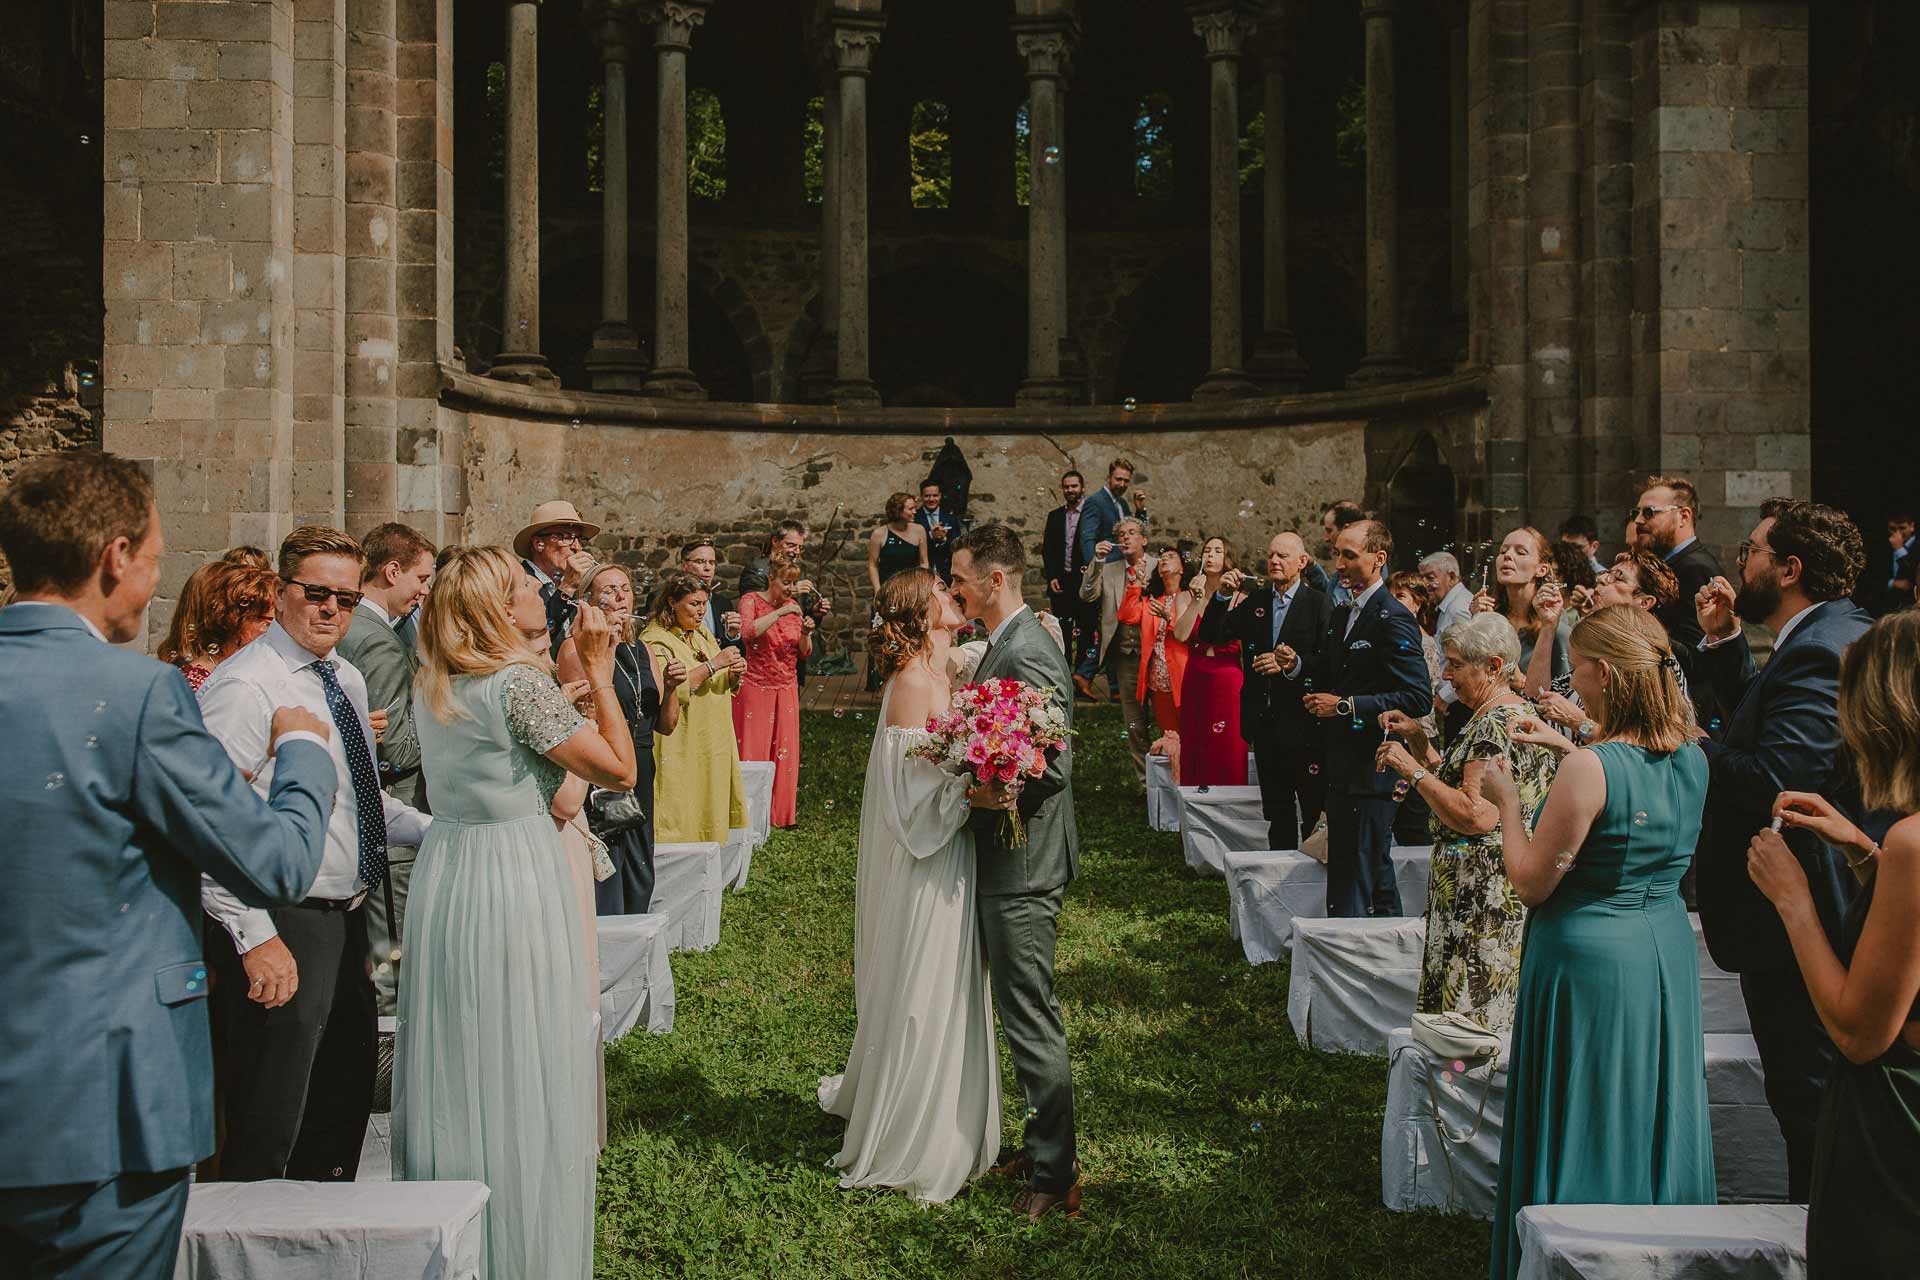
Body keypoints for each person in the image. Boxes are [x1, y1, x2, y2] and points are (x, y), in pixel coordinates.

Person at [0, 453, 334, 1280]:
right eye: (154, 557)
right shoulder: (137, 691)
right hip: (103, 1103)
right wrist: (302, 749)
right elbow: (279, 864)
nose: (154, 579)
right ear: (116, 557)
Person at [393, 546, 636, 1280]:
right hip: (513, 875)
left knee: (463, 1050)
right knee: (524, 1042)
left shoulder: (435, 680)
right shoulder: (518, 684)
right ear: (504, 610)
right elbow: (619, 770)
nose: (539, 592)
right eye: (524, 586)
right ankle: (523, 1245)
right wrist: (599, 671)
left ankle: (461, 1240)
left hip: (450, 871)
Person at [1481, 604, 1715, 1280]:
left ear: (1605, 673)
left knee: (1587, 1107)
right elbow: (1634, 805)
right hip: (1663, 949)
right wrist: (1569, 746)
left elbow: (1530, 881)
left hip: (1588, 958)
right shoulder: (1694, 754)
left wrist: (1504, 802)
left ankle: (1576, 1251)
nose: (1570, 680)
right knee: (1649, 1104)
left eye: (1577, 666)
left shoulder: (1590, 771)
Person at [198, 526, 432, 1183]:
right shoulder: (246, 688)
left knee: (338, 1107)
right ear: (278, 592)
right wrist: (254, 937)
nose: (332, 609)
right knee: (272, 1117)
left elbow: (360, 804)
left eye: (347, 599)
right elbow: (209, 826)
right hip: (282, 917)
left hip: (344, 918)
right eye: (317, 594)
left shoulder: (346, 680)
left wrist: (451, 833)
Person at [1692, 498, 1872, 1200]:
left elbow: (1778, 781)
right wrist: (1725, 645)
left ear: (1790, 568)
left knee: (1810, 1097)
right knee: (1803, 1096)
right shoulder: (1820, 636)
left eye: (1754, 551)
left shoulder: (1825, 649)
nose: (1742, 563)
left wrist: (1685, 741)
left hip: (1810, 904)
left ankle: (1821, 1244)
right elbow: (1769, 733)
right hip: (1796, 903)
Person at [1746, 610, 1920, 1276]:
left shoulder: (1912, 843)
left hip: (1895, 1122)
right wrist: (1862, 849)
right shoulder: (1899, 844)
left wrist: (1794, 899)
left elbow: (1857, 1031)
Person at [818, 568, 1000, 1204]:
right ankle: (915, 1132)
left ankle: (951, 1114)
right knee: (926, 981)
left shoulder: (942, 672)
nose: (955, 596)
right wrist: (973, 790)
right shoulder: (914, 684)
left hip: (952, 852)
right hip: (928, 856)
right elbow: (907, 799)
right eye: (942, 593)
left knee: (950, 977)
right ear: (921, 614)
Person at [947, 523, 1081, 1221]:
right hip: (1007, 855)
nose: (954, 589)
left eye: (960, 578)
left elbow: (1054, 763)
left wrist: (990, 788)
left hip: (1024, 863)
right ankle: (1038, 1146)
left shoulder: (1028, 650)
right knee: (1016, 1010)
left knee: (1029, 1015)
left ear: (995, 581)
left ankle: (1056, 1173)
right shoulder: (1006, 643)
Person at [1376, 613, 1554, 1035]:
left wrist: (1410, 771)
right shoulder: (1509, 711)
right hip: (1485, 882)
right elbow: (1463, 785)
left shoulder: (1493, 725)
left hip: (1479, 894)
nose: (1446, 674)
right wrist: (1421, 745)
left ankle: (1464, 1096)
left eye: (1455, 664)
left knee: (1471, 1020)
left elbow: (1476, 815)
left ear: (1493, 667)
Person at [1295, 520, 1431, 916]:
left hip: (1375, 766)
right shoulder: (1342, 614)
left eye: (1349, 555)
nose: (1339, 563)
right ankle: (1378, 953)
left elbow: (1417, 695)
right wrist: (1296, 665)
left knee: (1364, 869)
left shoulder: (1393, 616)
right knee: (1357, 869)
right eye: (1336, 553)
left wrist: (1345, 706)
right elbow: (1331, 670)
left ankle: (1360, 953)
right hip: (1341, 763)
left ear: (1379, 559)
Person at [336, 522, 436, 1015]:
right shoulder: (374, 639)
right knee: (391, 966)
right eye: (420, 578)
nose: (423, 590)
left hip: (375, 815)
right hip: (393, 813)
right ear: (392, 570)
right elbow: (394, 746)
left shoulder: (361, 628)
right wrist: (444, 733)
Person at [558, 563, 684, 914]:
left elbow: (665, 724)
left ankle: (637, 932)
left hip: (641, 759)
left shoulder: (643, 651)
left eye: (625, 588)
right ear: (589, 602)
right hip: (603, 761)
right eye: (609, 590)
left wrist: (673, 688)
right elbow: (585, 714)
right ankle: (606, 935)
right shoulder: (574, 649)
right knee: (609, 851)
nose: (620, 596)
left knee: (640, 857)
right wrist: (606, 647)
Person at [1198, 532, 1332, 850]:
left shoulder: (1318, 604)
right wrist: (1221, 595)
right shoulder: (1256, 602)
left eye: (1282, 556)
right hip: (1265, 721)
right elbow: (1210, 635)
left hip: (1306, 723)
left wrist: (1295, 664)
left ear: (1301, 562)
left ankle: (1313, 874)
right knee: (1276, 808)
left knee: (1313, 805)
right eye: (1271, 555)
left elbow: (1329, 661)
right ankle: (1281, 868)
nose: (1273, 560)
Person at [642, 571, 749, 844]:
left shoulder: (700, 633)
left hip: (711, 735)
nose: (701, 611)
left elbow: (722, 679)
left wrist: (735, 672)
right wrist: (716, 664)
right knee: (682, 800)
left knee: (707, 796)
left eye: (704, 604)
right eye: (693, 604)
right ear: (671, 603)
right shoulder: (655, 640)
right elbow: (671, 688)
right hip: (680, 738)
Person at [734, 551, 814, 828]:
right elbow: (747, 633)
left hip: (786, 686)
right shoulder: (751, 601)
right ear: (771, 579)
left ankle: (782, 816)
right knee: (753, 751)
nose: (791, 590)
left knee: (786, 752)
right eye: (785, 583)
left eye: (794, 584)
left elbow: (803, 652)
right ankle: (749, 815)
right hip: (755, 685)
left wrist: (805, 633)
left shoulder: (795, 607)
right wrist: (779, 612)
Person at [1079, 516, 1156, 781]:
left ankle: (1173, 776)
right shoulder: (1109, 568)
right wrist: (1097, 562)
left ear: (1144, 540)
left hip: (1157, 655)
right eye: (1121, 534)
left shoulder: (1159, 567)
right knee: (1134, 721)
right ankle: (1146, 782)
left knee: (1166, 718)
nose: (1125, 538)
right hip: (1126, 656)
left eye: (1132, 533)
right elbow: (1086, 595)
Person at [1169, 535, 1248, 786]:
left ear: (1228, 559)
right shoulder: (1185, 597)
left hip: (1229, 676)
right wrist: (1195, 599)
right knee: (1197, 737)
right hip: (1197, 673)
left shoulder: (1241, 600)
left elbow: (1247, 649)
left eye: (1217, 550)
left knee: (1229, 741)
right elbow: (1181, 635)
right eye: (1207, 550)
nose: (1210, 555)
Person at [157, 560, 279, 692]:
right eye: (269, 621)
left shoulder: (251, 667)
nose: (276, 629)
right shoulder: (195, 683)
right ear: (234, 620)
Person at [1472, 527, 1570, 690]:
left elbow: (1565, 697)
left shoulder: (1555, 629)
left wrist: (1521, 683)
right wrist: (1478, 626)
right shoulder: (1491, 616)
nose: (1507, 556)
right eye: (1503, 551)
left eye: (1521, 552)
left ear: (1542, 569)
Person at [1634, 475, 1723, 650]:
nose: (1638, 520)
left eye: (1649, 512)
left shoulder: (1695, 568)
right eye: (1635, 512)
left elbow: (1696, 649)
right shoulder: (1674, 563)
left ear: (1683, 516)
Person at [514, 500, 600, 657]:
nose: (577, 547)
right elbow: (533, 635)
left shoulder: (570, 582)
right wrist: (567, 587)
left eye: (579, 539)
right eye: (566, 537)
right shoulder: (518, 582)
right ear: (539, 543)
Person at [1117, 546, 1189, 734]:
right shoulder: (1152, 602)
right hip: (1157, 683)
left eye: (1171, 557)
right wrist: (1137, 581)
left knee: (1191, 736)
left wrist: (1169, 619)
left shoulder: (1190, 598)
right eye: (1162, 558)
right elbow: (1127, 616)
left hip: (1185, 679)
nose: (1164, 559)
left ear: (1182, 568)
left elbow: (1192, 633)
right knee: (1170, 738)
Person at [1042, 469, 1099, 694]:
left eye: (1074, 486)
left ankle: (1081, 681)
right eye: (1066, 486)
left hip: (1084, 581)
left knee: (1086, 630)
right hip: (1062, 582)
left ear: (1082, 488)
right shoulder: (1055, 516)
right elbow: (1048, 550)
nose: (1070, 490)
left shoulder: (1090, 515)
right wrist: (1052, 576)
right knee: (1063, 631)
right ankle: (1063, 678)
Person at [1421, 550, 1477, 738]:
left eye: (1430, 577)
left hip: (1459, 699)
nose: (1425, 585)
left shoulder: (1459, 608)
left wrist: (1446, 695)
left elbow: (1469, 659)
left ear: (1451, 576)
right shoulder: (1449, 606)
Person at [1387, 571, 1444, 739]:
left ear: (1417, 604)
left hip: (1418, 734)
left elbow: (1421, 695)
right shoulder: (1390, 637)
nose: (1392, 603)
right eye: (1389, 597)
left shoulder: (1424, 644)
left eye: (1400, 596)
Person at [679, 539, 741, 646]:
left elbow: (738, 651)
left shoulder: (723, 603)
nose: (707, 568)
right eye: (700, 562)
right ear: (684, 565)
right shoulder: (668, 599)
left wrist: (732, 636)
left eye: (712, 563)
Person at [867, 492, 929, 595]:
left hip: (912, 589)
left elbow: (924, 562)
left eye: (915, 508)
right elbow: (872, 565)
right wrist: (878, 591)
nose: (915, 512)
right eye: (910, 509)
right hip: (888, 589)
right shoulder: (879, 534)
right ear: (898, 511)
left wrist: (920, 587)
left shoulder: (919, 530)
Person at [1312, 501, 1366, 603]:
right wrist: (1313, 569)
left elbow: (1340, 605)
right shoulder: (1347, 563)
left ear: (1345, 529)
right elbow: (1333, 595)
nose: (1326, 538)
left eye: (1329, 531)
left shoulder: (1365, 566)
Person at [916, 478, 958, 582]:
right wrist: (931, 537)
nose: (931, 499)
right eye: (927, 496)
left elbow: (957, 544)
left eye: (935, 495)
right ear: (921, 497)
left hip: (946, 571)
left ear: (940, 496)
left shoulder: (950, 517)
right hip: (921, 572)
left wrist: (943, 539)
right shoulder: (914, 518)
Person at [1879, 511, 1915, 616]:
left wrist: (1899, 549)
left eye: (1902, 528)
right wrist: (1892, 583)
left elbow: (1912, 576)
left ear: (1911, 527)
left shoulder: (1917, 546)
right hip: (1888, 606)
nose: (1898, 533)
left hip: (1911, 607)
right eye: (1893, 529)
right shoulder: (1882, 546)